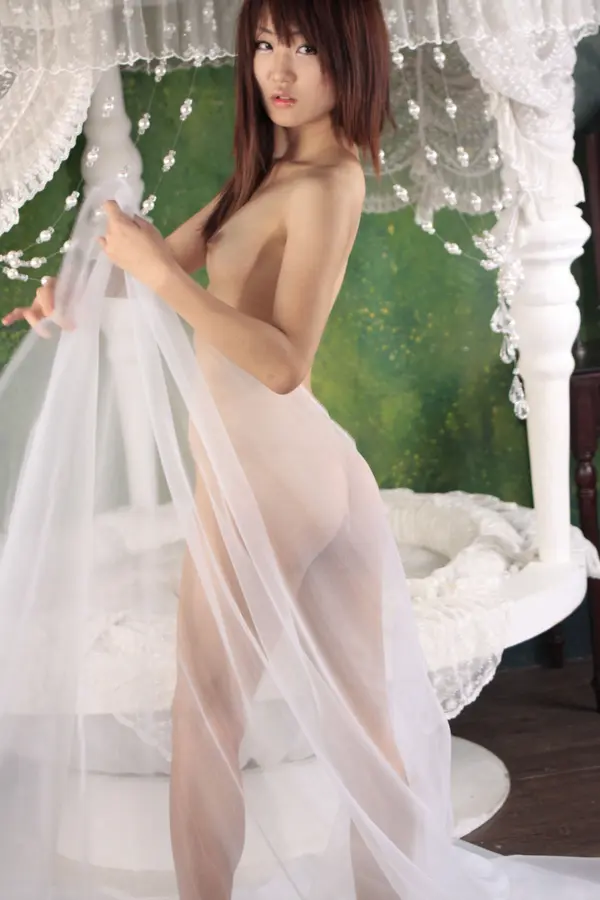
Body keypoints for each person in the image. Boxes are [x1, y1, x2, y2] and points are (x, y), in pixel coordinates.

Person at [1, 1, 599, 899]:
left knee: (207, 720)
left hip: (271, 479)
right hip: (307, 475)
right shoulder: (265, 175)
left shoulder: (331, 182)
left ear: (348, 58)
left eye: (307, 46)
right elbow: (155, 272)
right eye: (266, 44)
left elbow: (284, 363)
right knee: (367, 724)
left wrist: (158, 273)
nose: (279, 68)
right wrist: (76, 298)